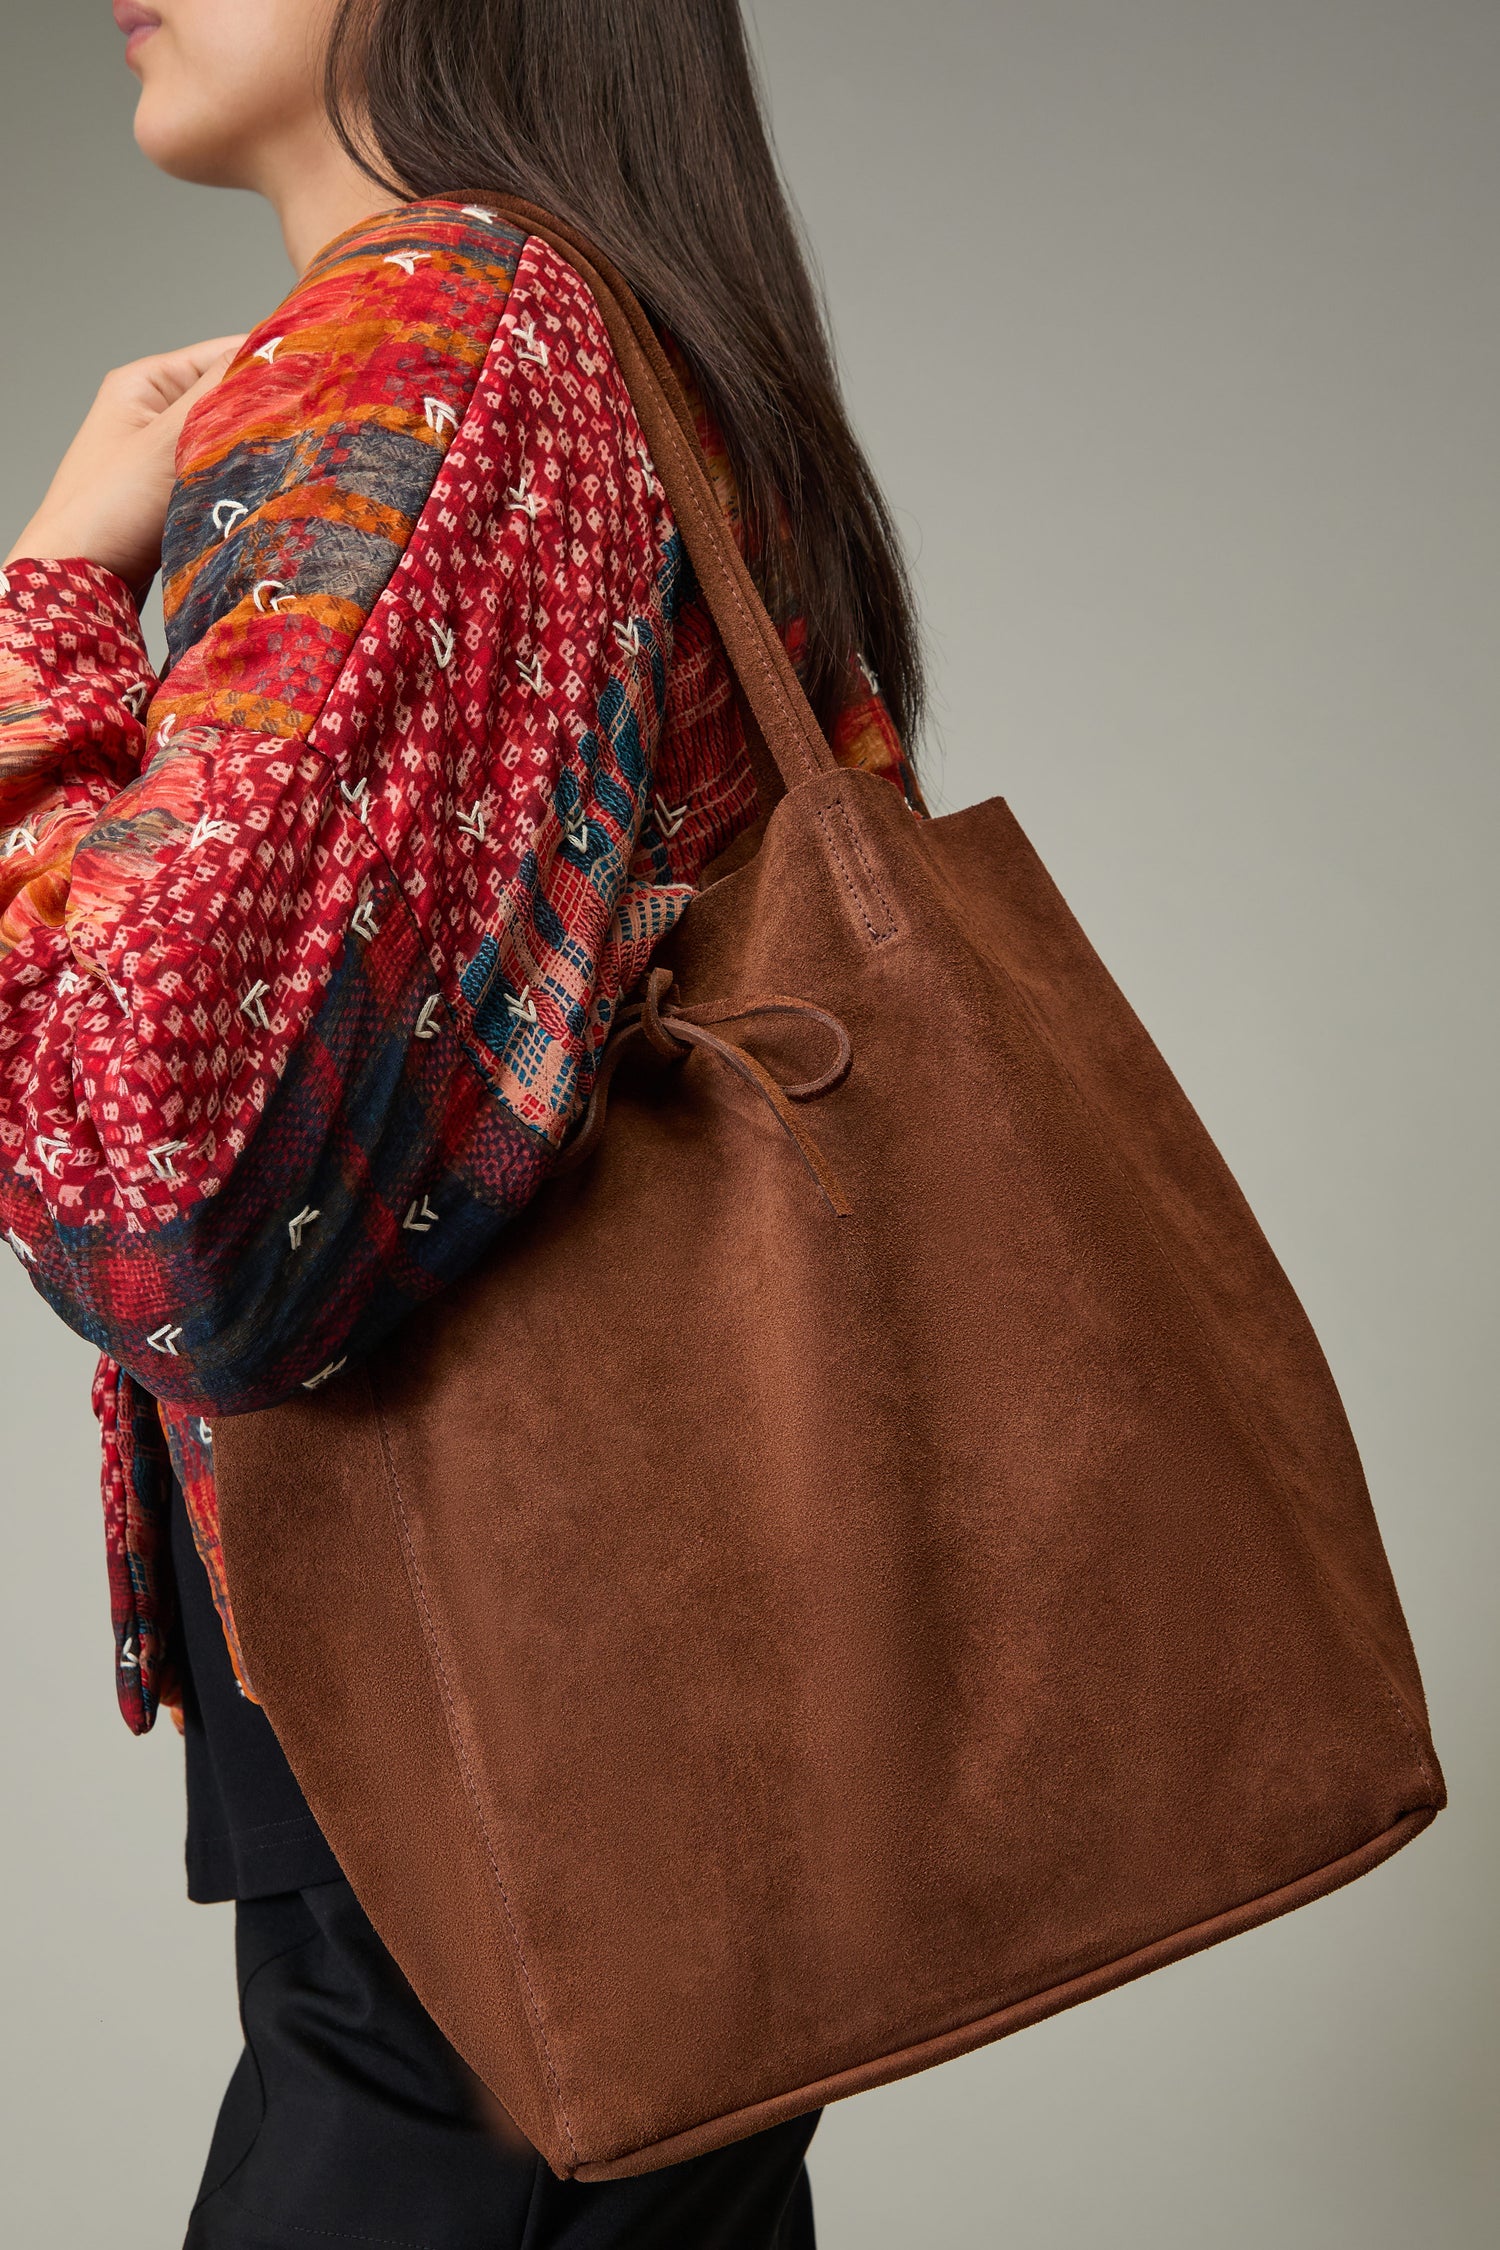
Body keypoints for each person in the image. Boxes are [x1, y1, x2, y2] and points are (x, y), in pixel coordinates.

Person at [1, 2, 924, 2242]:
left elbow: (136, 1150)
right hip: (648, 1673)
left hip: (481, 1735)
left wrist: (42, 604)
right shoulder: (617, 349)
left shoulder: (437, 341)